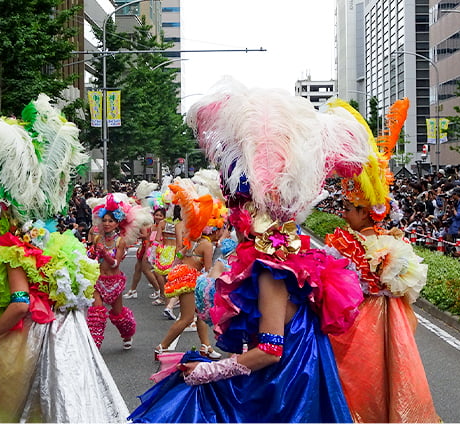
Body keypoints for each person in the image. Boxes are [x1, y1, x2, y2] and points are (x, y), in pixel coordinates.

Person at [129, 80, 368, 422]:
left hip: (279, 393)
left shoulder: (273, 270)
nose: (231, 217)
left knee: (187, 401)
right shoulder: (284, 261)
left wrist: (209, 371)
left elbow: (271, 349)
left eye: (236, 208)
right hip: (289, 383)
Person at [0, 94, 129, 422]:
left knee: (30, 409)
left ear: (9, 211)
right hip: (70, 341)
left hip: (31, 344)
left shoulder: (14, 253)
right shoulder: (56, 244)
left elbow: (21, 304)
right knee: (71, 404)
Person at [325, 98, 439, 422]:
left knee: (360, 378)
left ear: (364, 211)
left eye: (348, 208)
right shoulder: (391, 241)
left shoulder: (351, 244)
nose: (343, 213)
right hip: (389, 320)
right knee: (384, 376)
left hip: (361, 322)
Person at [153, 177, 223, 360]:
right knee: (186, 318)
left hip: (183, 273)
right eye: (218, 228)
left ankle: (205, 346)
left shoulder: (191, 239)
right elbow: (208, 271)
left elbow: (179, 256)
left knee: (199, 314)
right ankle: (162, 346)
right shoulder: (206, 245)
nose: (219, 232)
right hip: (191, 278)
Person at [85, 193, 151, 350]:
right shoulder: (97, 239)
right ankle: (94, 345)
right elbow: (92, 256)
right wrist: (91, 252)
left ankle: (127, 334)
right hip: (98, 280)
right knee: (96, 313)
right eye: (105, 220)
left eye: (111, 221)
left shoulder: (120, 241)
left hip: (114, 282)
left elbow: (115, 263)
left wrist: (104, 253)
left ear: (117, 223)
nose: (107, 224)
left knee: (118, 313)